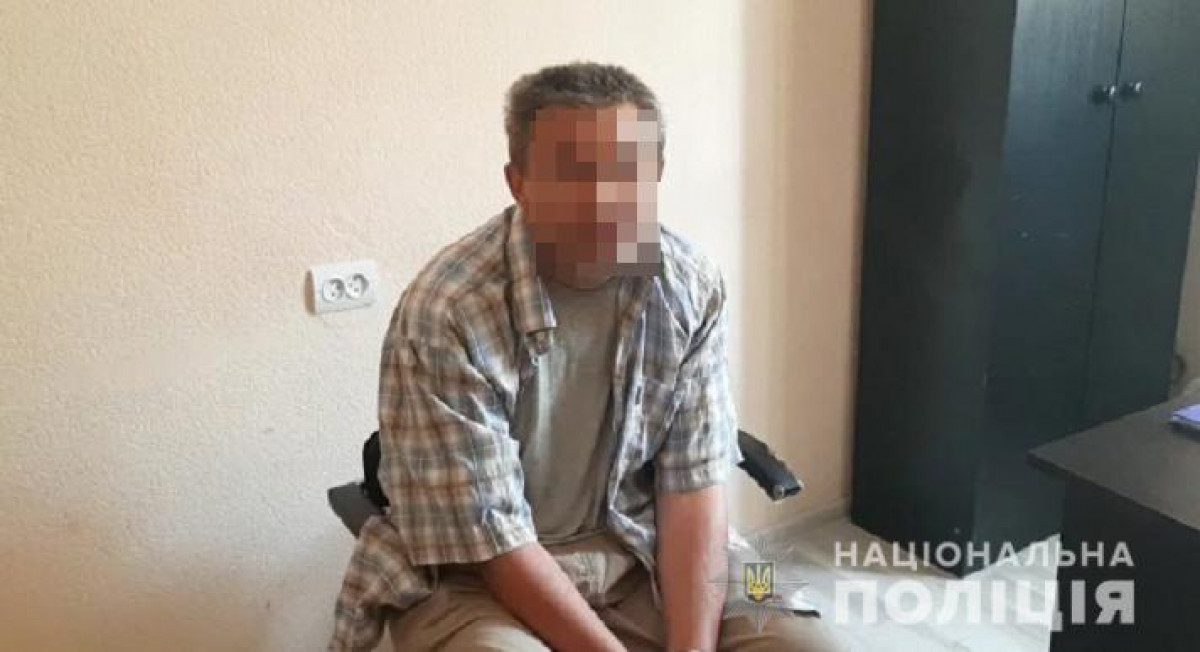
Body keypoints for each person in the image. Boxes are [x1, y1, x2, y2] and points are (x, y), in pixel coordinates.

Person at [330, 61, 843, 652]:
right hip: (482, 572)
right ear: (518, 182)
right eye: (573, 174)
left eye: (626, 173)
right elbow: (492, 539)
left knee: (810, 641)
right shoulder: (447, 311)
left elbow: (694, 485)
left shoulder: (691, 283)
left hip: (644, 538)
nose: (603, 201)